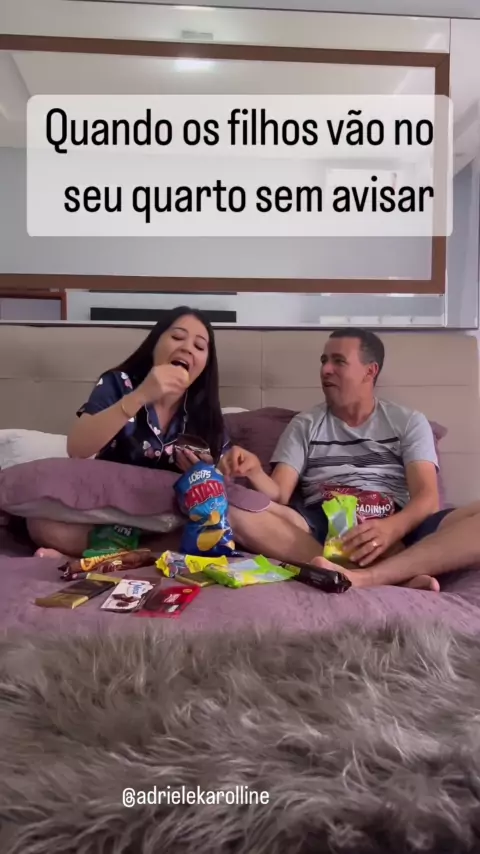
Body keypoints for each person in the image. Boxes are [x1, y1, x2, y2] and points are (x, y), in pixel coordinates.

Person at [222, 328, 455, 590]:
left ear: (370, 371)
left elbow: (427, 497)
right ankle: (383, 576)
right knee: (228, 507)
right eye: (324, 361)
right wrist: (254, 471)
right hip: (320, 526)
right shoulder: (304, 424)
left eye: (338, 361)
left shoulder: (409, 422)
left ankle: (369, 572)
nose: (325, 370)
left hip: (389, 523)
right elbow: (280, 496)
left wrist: (392, 529)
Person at [29, 306, 229, 557]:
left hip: (164, 521)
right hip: (106, 511)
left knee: (213, 530)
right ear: (155, 344)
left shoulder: (206, 413)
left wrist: (211, 470)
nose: (187, 348)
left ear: (205, 365)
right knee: (41, 523)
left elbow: (221, 487)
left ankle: (106, 556)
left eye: (199, 346)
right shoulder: (118, 383)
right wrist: (141, 395)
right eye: (177, 337)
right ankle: (133, 555)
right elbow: (77, 448)